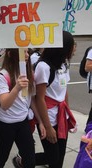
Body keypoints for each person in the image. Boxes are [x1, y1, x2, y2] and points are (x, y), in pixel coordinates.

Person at [0, 49, 45, 168]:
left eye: (27, 52)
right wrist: (16, 88)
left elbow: (31, 101)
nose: (27, 55)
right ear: (11, 54)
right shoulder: (3, 75)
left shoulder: (29, 73)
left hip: (22, 122)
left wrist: (40, 122)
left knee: (30, 159)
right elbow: (5, 105)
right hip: (5, 124)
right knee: (2, 156)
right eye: (23, 52)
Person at [34, 30, 76, 168]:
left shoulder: (64, 64)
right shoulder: (43, 67)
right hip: (49, 118)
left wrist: (68, 114)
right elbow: (39, 98)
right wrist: (47, 126)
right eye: (72, 46)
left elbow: (65, 91)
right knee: (53, 156)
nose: (74, 48)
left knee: (60, 156)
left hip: (61, 117)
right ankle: (25, 159)